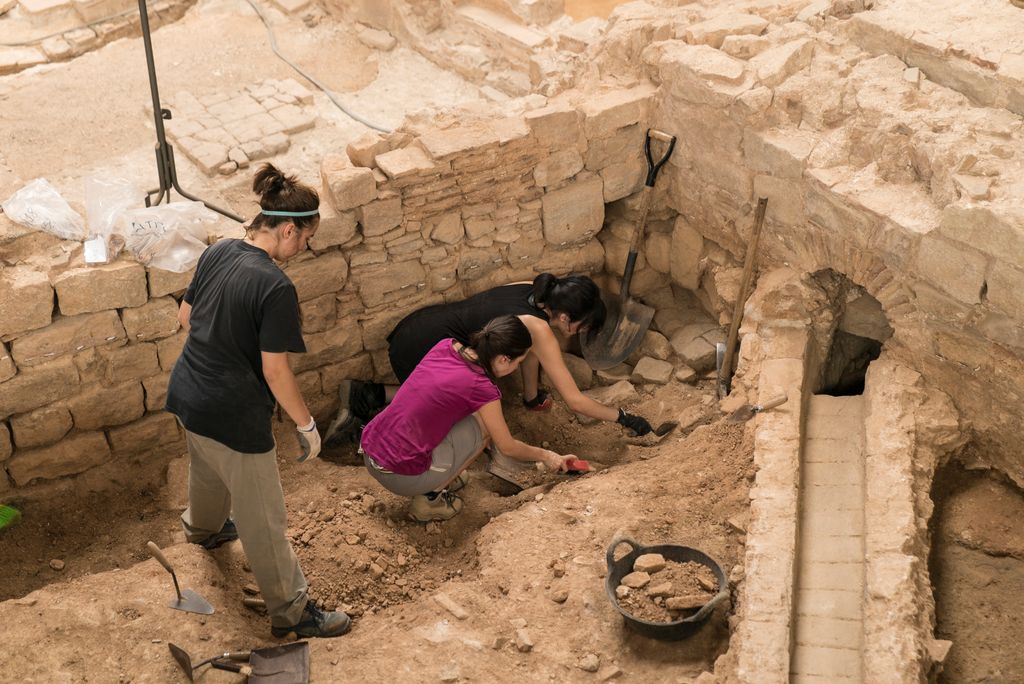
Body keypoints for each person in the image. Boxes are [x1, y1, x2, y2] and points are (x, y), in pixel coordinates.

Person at [165, 163, 350, 640]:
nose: (303, 249)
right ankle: (291, 611)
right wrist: (306, 425)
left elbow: (187, 318)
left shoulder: (220, 250)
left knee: (205, 466)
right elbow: (275, 370)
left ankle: (203, 531)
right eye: (305, 239)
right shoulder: (275, 286)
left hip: (188, 391)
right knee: (263, 518)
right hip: (232, 410)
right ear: (288, 228)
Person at [325, 274, 654, 446]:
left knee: (449, 390)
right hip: (423, 350)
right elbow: (576, 401)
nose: (580, 332)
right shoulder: (541, 328)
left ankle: (365, 394)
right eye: (582, 326)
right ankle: (370, 429)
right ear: (566, 318)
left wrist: (531, 396)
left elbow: (528, 350)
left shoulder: (533, 290)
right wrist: (625, 418)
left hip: (417, 327)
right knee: (456, 406)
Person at [359, 315, 578, 521]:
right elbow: (507, 447)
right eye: (518, 362)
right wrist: (548, 456)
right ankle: (429, 499)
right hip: (399, 475)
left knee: (468, 417)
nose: (516, 368)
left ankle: (443, 474)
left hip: (371, 451)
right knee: (484, 430)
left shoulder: (446, 346)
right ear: (503, 359)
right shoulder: (481, 387)